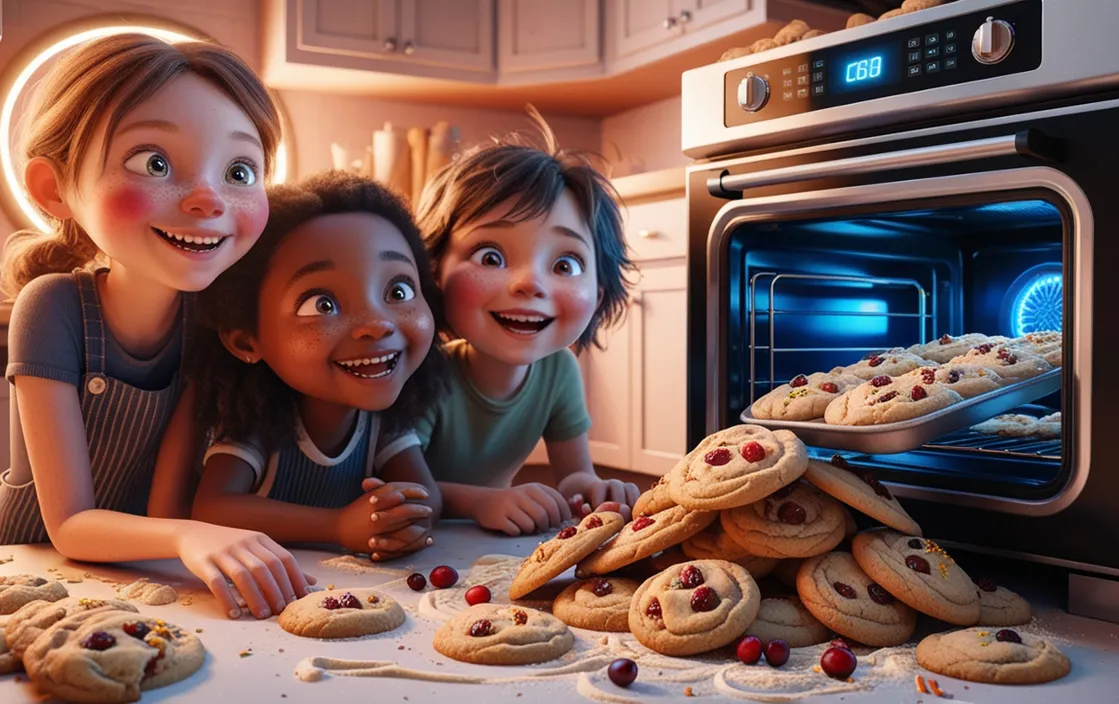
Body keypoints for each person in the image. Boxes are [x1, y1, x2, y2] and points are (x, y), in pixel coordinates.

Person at [0, 33, 311, 620]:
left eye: (240, 170)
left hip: (142, 574)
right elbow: (68, 525)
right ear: (54, 189)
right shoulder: (52, 309)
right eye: (156, 163)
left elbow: (167, 506)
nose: (207, 199)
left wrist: (181, 536)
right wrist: (187, 536)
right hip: (32, 570)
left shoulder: (208, 321)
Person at [189, 171, 447, 561]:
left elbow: (428, 497)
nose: (377, 324)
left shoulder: (383, 423)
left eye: (399, 291)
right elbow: (212, 509)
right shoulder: (260, 425)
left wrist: (403, 521)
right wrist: (337, 526)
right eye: (322, 305)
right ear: (246, 340)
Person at [413, 108, 641, 537]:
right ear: (434, 271)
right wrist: (482, 501)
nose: (529, 284)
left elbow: (573, 475)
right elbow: (399, 487)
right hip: (418, 537)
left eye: (566, 263)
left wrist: (594, 488)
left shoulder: (558, 371)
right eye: (491, 257)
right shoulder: (427, 375)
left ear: (601, 292)